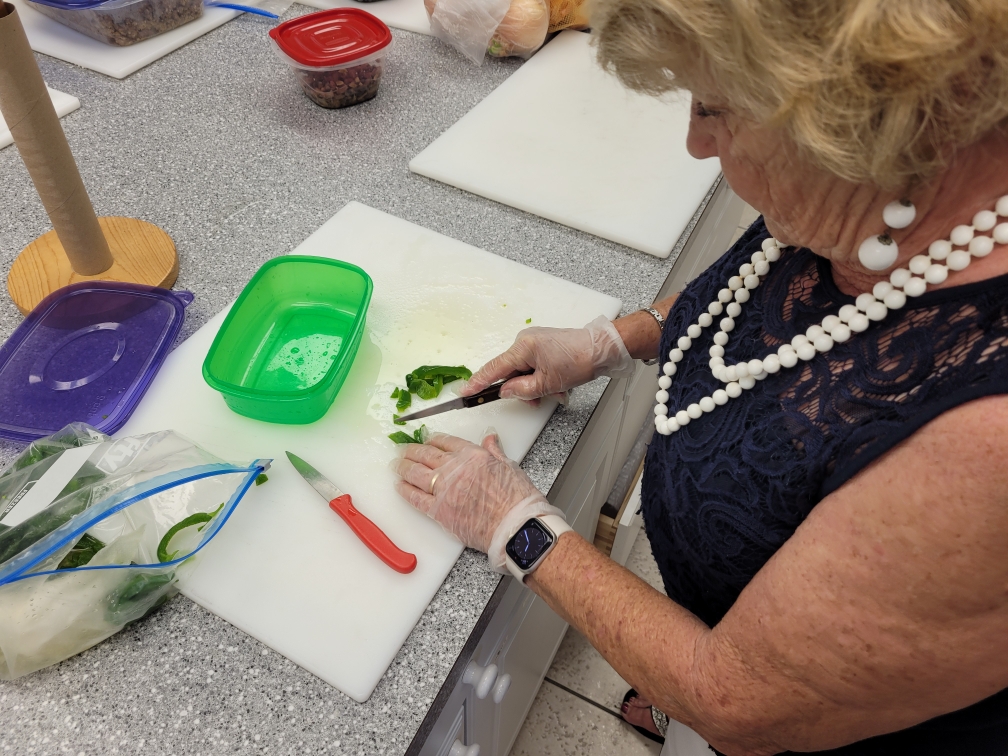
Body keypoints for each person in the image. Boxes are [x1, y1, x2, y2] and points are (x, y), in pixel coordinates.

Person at [392, 1, 1008, 753]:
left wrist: (514, 525)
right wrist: (609, 342)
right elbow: (764, 294)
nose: (694, 142)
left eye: (714, 107)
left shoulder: (987, 439)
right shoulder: (870, 200)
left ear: (862, 123)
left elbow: (738, 701)